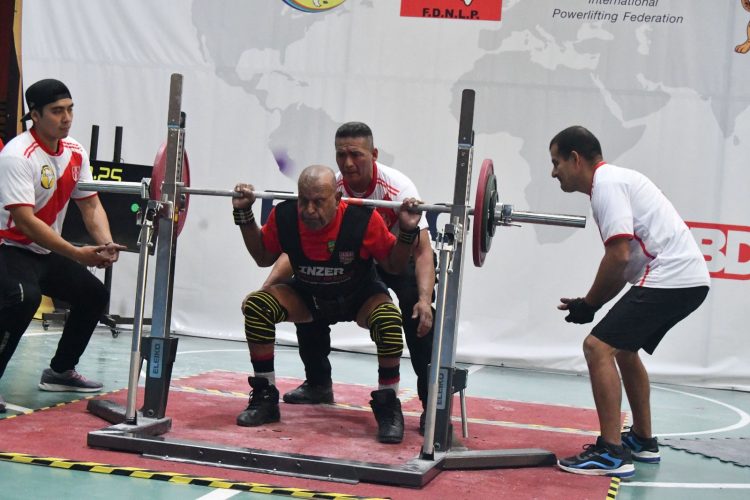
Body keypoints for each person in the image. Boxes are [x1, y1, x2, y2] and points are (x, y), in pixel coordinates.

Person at [549, 126, 710, 477]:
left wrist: (590, 305)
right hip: (687, 279)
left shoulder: (606, 186)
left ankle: (610, 453)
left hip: (673, 277)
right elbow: (626, 268)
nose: (553, 172)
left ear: (576, 159)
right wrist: (590, 303)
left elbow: (618, 258)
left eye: (556, 162)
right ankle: (642, 440)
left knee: (596, 347)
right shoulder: (616, 181)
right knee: (622, 348)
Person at [264, 122, 436, 435]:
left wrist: (425, 300)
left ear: (373, 154)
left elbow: (423, 253)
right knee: (314, 284)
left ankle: (431, 408)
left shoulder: (398, 189)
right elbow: (298, 250)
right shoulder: (333, 188)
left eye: (355, 154)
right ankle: (318, 384)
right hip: (360, 257)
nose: (347, 163)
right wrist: (268, 285)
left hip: (397, 256)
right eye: (341, 154)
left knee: (417, 315)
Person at [232, 164, 421, 443]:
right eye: (304, 201)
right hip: (309, 295)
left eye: (318, 202)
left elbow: (393, 265)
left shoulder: (363, 220)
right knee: (258, 306)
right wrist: (244, 214)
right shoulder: (284, 216)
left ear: (336, 198)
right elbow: (263, 256)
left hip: (359, 296)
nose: (309, 210)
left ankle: (389, 404)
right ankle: (265, 397)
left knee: (389, 320)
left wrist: (406, 232)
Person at [0, 79, 126, 413]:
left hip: (41, 250)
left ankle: (59, 371)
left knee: (94, 295)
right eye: (57, 111)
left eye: (70, 109)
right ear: (35, 115)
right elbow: (25, 222)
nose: (66, 118)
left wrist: (104, 243)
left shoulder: (75, 151)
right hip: (8, 246)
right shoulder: (17, 155)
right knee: (23, 299)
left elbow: (90, 205)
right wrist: (76, 253)